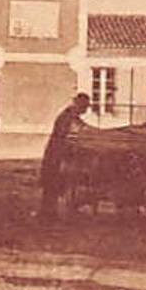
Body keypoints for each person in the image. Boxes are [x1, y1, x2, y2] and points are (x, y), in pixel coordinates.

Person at [40, 92, 90, 220]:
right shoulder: (68, 117)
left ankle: (50, 212)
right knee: (53, 184)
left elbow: (83, 128)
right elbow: (66, 136)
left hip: (58, 154)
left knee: (55, 184)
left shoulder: (71, 116)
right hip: (57, 155)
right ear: (78, 104)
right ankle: (48, 213)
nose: (85, 109)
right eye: (84, 106)